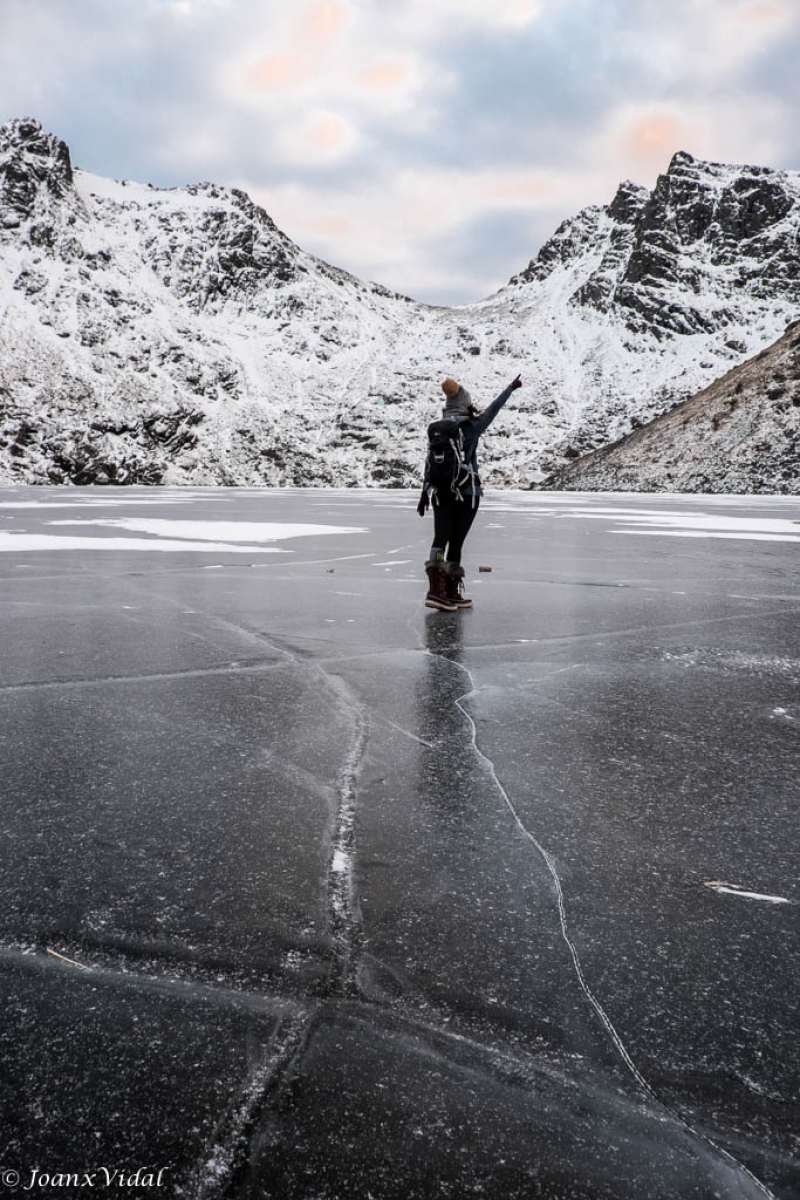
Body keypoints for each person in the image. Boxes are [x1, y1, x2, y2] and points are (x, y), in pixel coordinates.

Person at [417, 373, 522, 610]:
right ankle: (450, 591)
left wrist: (425, 492)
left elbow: (429, 462)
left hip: (440, 491)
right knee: (457, 541)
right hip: (468, 492)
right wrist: (510, 388)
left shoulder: (437, 430)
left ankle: (437, 591)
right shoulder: (472, 427)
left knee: (440, 537)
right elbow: (493, 410)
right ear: (465, 403)